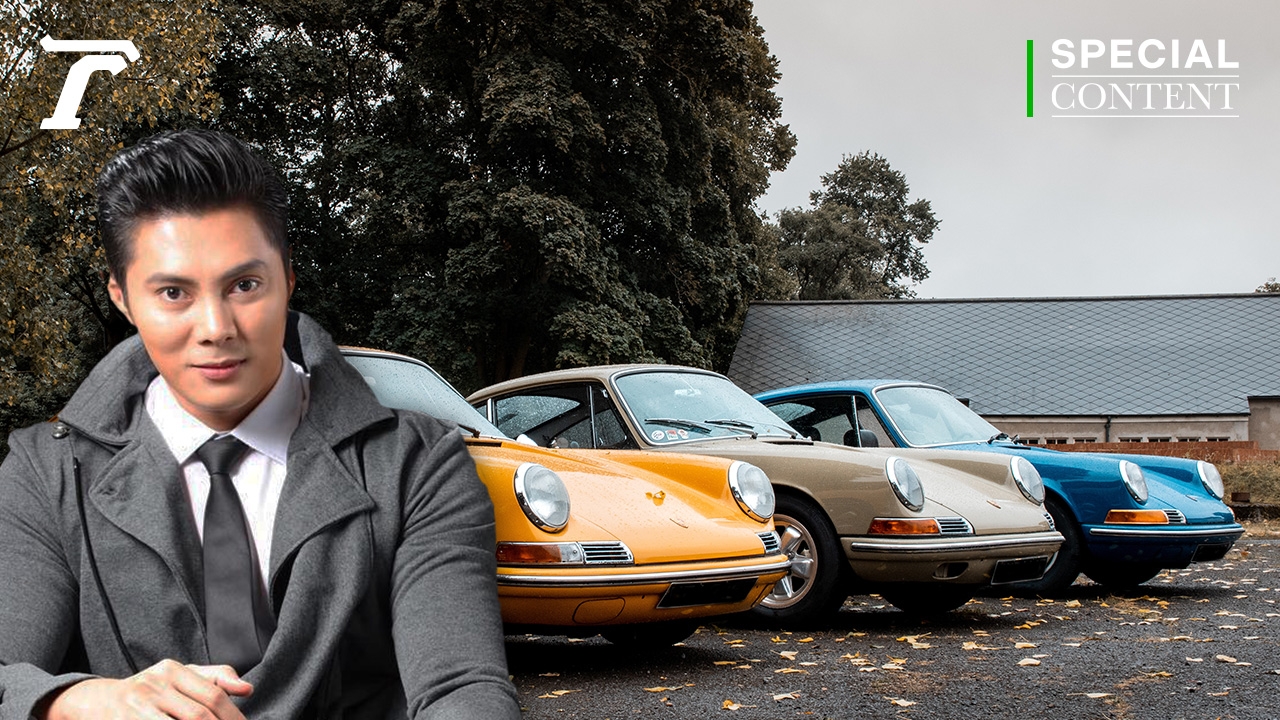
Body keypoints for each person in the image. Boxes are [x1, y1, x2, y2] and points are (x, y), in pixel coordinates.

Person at [0, 130, 521, 719]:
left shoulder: (419, 464)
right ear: (122, 298)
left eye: (244, 286)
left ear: (288, 279)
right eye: (173, 292)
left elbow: (463, 690)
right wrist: (73, 700)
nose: (216, 328)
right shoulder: (45, 474)